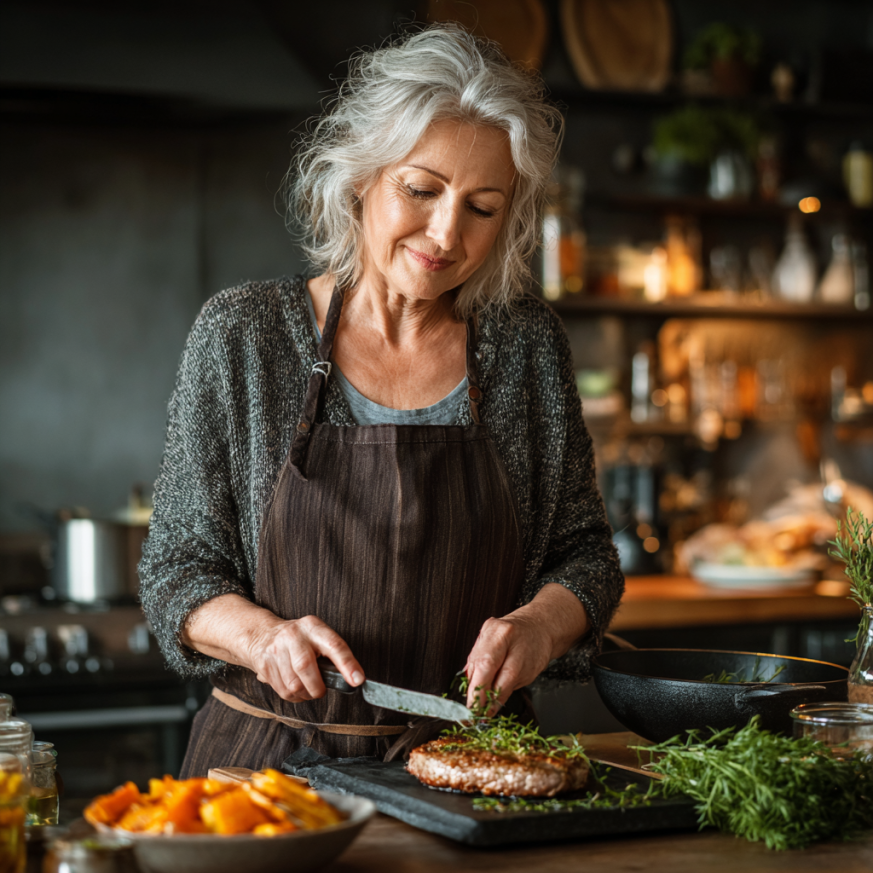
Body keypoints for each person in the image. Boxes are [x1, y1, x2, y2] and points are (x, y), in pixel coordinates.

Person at [139, 24, 623, 777]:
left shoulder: (525, 345)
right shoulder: (244, 334)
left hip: (475, 770)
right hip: (269, 772)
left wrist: (539, 625)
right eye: (421, 189)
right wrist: (262, 638)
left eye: (482, 207)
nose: (445, 233)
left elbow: (585, 556)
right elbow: (177, 570)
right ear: (360, 175)